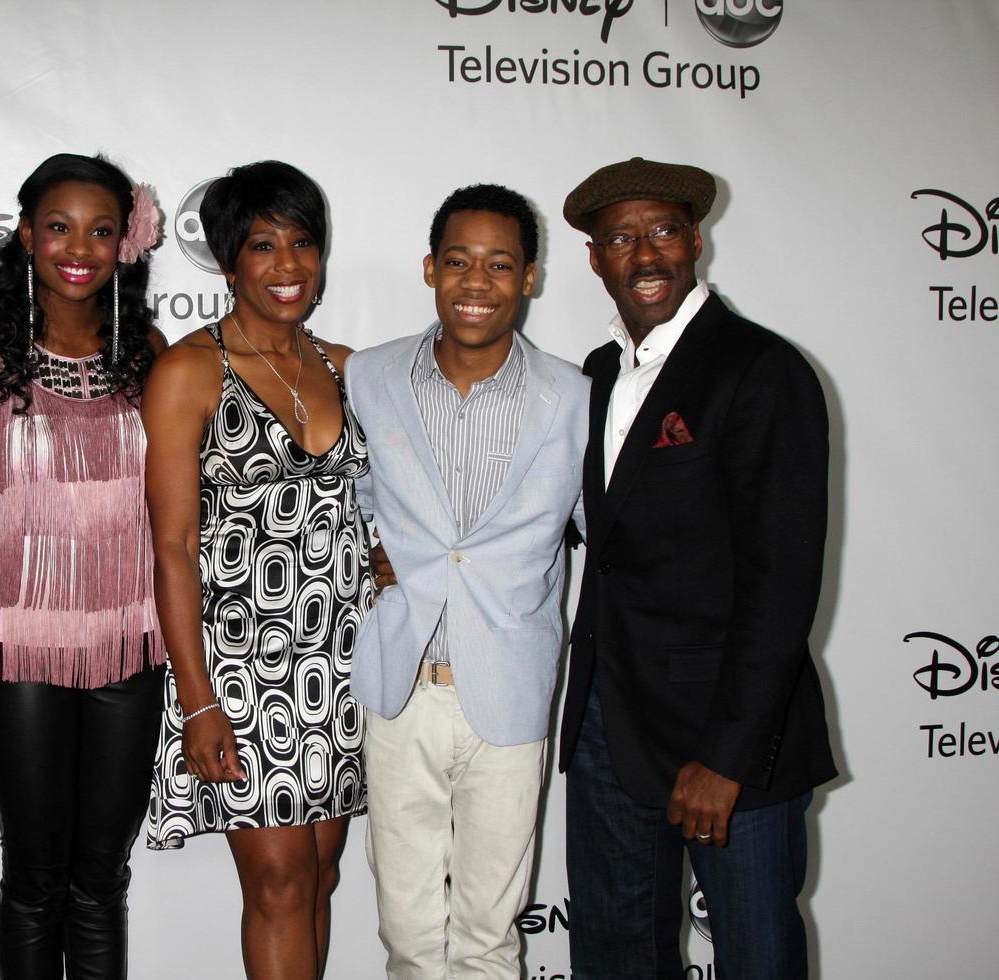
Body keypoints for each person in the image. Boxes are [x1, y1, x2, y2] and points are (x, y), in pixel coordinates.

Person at [559, 156, 836, 979]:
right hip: (611, 721)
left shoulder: (761, 369)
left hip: (727, 738)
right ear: (595, 259)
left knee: (755, 958)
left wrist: (728, 758)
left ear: (695, 240)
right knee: (613, 954)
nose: (645, 256)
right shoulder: (599, 374)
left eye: (662, 233)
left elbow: (782, 582)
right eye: (621, 239)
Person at [0, 152, 168, 980]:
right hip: (20, 651)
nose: (80, 248)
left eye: (102, 230)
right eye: (58, 226)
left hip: (129, 648)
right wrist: (42, 520)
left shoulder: (148, 352)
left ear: (124, 243)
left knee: (99, 883)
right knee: (34, 880)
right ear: (25, 234)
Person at [345, 185, 589, 979]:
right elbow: (354, 497)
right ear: (429, 269)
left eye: (499, 264)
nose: (475, 282)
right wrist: (374, 552)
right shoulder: (371, 378)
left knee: (489, 939)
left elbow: (611, 532)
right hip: (400, 688)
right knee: (408, 938)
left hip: (511, 694)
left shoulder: (575, 398)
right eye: (458, 261)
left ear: (530, 278)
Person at [143, 160, 369, 979]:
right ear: (231, 258)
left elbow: (379, 508)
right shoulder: (189, 373)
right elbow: (169, 546)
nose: (288, 266)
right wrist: (196, 699)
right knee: (276, 883)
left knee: (319, 876)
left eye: (303, 243)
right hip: (241, 668)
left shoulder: (351, 367)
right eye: (264, 244)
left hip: (341, 666)